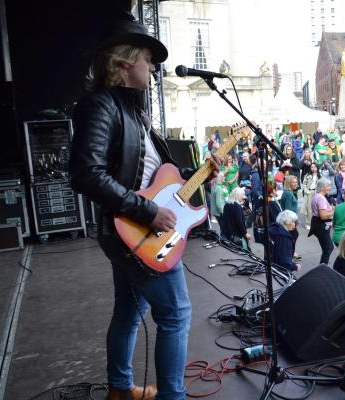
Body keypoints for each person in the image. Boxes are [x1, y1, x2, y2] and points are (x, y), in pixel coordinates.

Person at [69, 19, 205, 399]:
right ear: (125, 61)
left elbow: (155, 179)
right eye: (148, 59)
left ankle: (119, 390)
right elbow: (85, 173)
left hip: (131, 232)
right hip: (134, 229)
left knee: (129, 314)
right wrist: (147, 213)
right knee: (176, 315)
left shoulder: (135, 114)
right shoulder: (100, 105)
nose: (154, 67)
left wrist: (201, 176)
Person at [308, 178, 335, 265]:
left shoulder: (317, 196)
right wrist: (334, 211)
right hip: (321, 226)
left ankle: (323, 266)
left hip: (318, 225)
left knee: (327, 248)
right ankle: (323, 267)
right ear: (323, 187)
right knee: (328, 248)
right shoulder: (321, 198)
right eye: (328, 186)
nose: (329, 188)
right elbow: (323, 216)